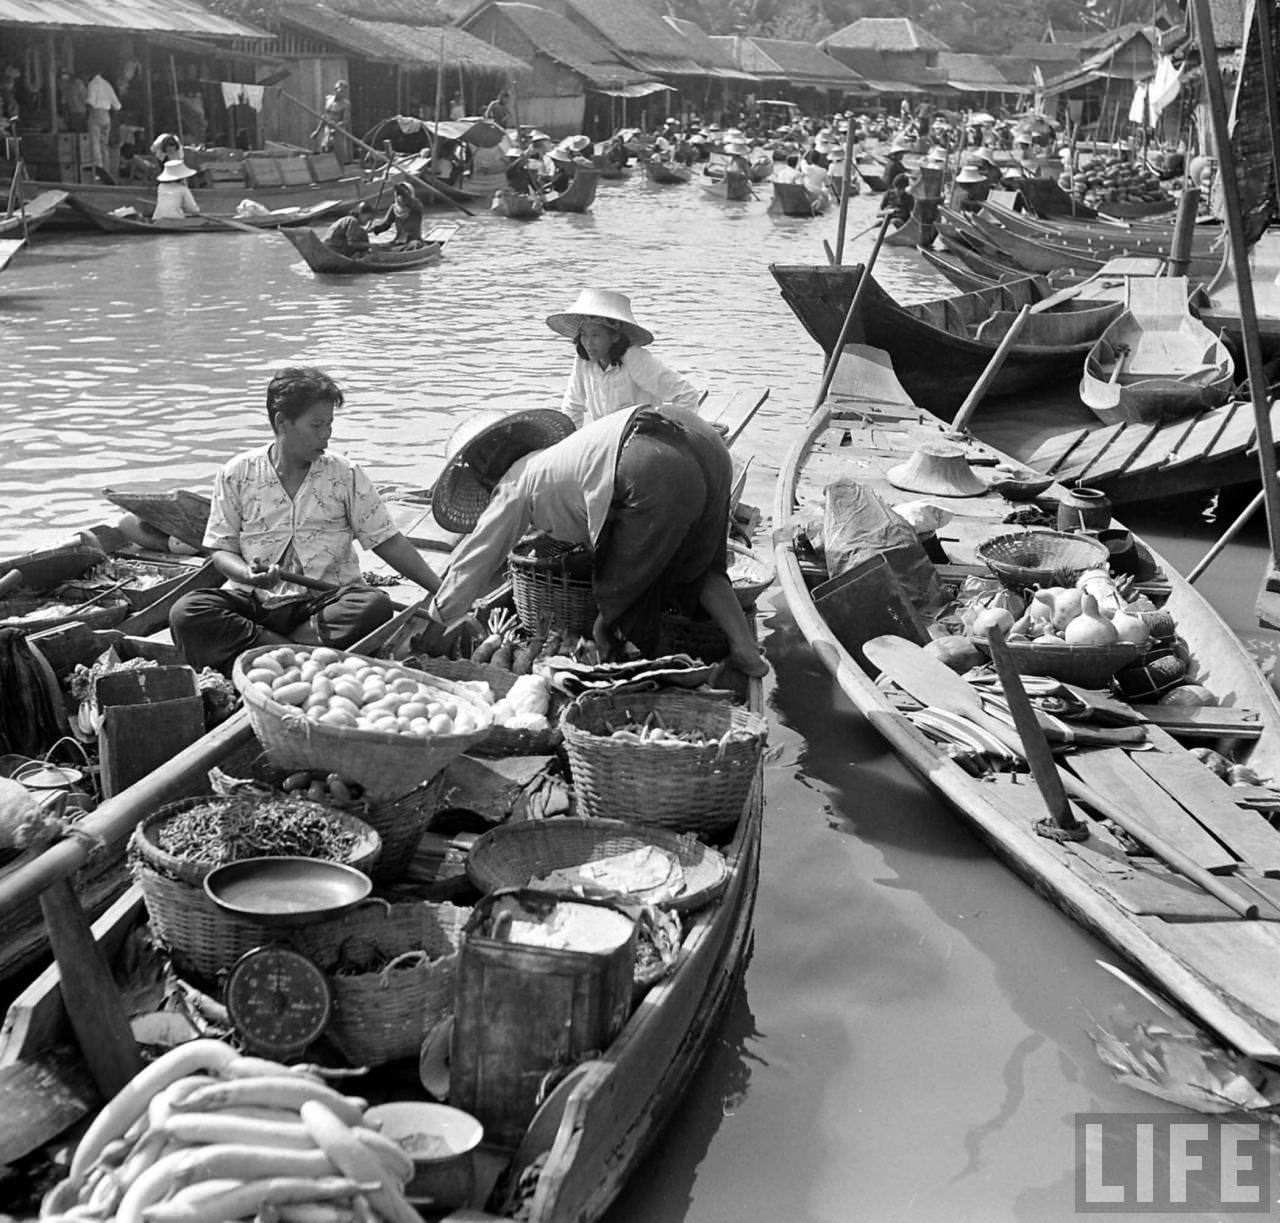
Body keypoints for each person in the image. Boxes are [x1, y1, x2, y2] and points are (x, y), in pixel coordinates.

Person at [418, 406, 767, 675]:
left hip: (654, 463)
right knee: (702, 565)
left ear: (483, 476)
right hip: (703, 442)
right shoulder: (559, 459)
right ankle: (745, 650)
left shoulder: (514, 484)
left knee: (618, 598)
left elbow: (475, 560)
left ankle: (640, 669)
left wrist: (436, 622)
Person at [170, 368, 441, 674]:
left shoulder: (344, 473)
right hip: (256, 602)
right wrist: (248, 574)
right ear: (281, 423)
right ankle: (297, 658)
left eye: (329, 424)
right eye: (316, 425)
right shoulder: (237, 473)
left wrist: (443, 591)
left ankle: (270, 658)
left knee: (373, 604)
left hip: (325, 603)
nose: (326, 434)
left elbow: (387, 540)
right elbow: (220, 550)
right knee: (187, 612)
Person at [548, 289, 699, 429]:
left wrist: (676, 434)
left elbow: (686, 394)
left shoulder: (634, 358)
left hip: (640, 441)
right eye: (584, 334)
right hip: (604, 441)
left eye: (596, 335)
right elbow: (573, 407)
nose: (588, 343)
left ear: (614, 336)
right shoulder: (583, 361)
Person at [85, 72, 121, 174]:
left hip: (96, 114)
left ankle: (98, 170)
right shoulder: (107, 85)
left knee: (95, 143)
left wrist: (87, 113)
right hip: (106, 116)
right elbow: (117, 105)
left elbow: (90, 102)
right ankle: (106, 170)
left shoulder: (92, 84)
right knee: (104, 145)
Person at [370, 181, 424, 246]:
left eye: (403, 196)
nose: (400, 198)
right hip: (398, 240)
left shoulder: (416, 206)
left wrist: (393, 184)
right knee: (379, 247)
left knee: (414, 244)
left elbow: (408, 198)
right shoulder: (394, 208)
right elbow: (385, 225)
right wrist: (372, 230)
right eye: (398, 195)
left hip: (414, 240)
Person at [311, 80, 349, 156]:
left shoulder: (346, 104)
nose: (343, 94)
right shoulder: (328, 100)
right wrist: (317, 131)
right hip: (327, 130)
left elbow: (346, 120)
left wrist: (336, 125)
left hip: (338, 132)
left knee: (338, 154)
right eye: (341, 91)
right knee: (324, 149)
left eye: (345, 91)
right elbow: (324, 117)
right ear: (335, 90)